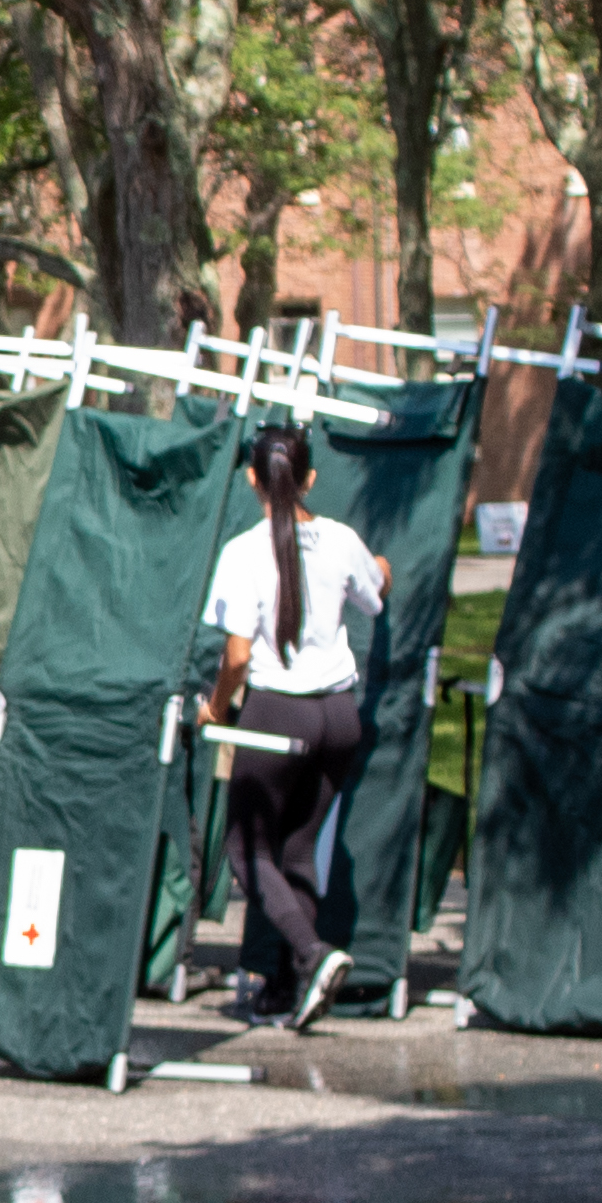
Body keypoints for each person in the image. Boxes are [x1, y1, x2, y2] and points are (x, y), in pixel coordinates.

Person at [196, 422, 388, 1028]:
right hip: (339, 714)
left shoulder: (243, 552)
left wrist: (217, 706)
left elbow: (236, 656)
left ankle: (312, 954)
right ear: (309, 478)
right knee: (300, 846)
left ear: (252, 478)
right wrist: (379, 565)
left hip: (278, 712)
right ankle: (286, 986)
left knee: (244, 850)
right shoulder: (339, 539)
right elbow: (376, 589)